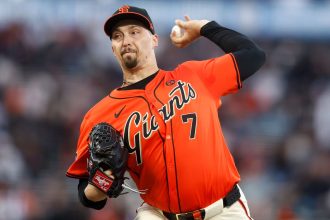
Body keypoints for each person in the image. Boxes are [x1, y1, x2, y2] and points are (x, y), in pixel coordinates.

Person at [66, 4, 265, 220]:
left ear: (154, 40)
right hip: (158, 215)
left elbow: (253, 55)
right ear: (113, 48)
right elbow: (86, 194)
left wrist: (204, 27)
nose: (126, 40)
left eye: (135, 32)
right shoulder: (99, 115)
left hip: (223, 210)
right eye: (117, 36)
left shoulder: (194, 76)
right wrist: (102, 182)